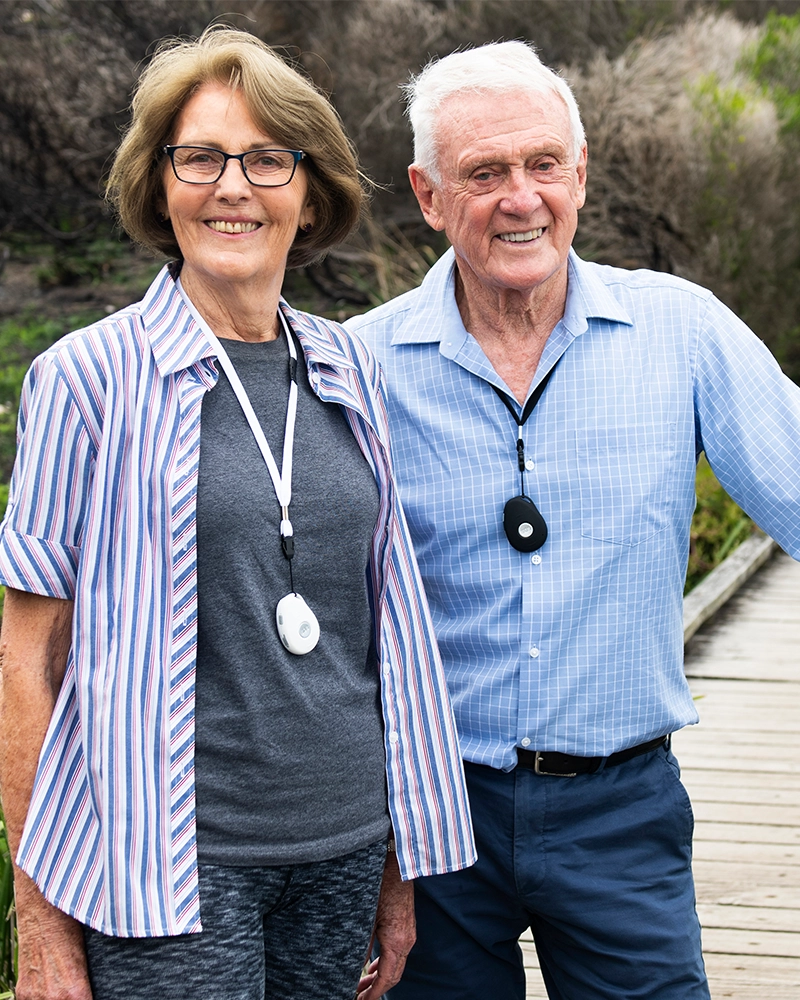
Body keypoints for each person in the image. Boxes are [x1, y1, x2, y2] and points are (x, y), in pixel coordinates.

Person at [0, 27, 475, 1000]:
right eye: (201, 157)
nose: (232, 186)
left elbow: (373, 631)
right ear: (158, 184)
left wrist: (393, 868)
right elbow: (22, 664)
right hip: (169, 872)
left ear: (309, 194)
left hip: (341, 847)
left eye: (266, 158)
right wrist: (40, 924)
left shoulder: (352, 369)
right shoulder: (83, 380)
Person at [345, 40, 800, 1000]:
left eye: (543, 164)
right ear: (428, 196)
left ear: (580, 175)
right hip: (429, 819)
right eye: (485, 173)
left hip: (620, 807)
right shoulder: (358, 364)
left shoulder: (682, 330)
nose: (521, 196)